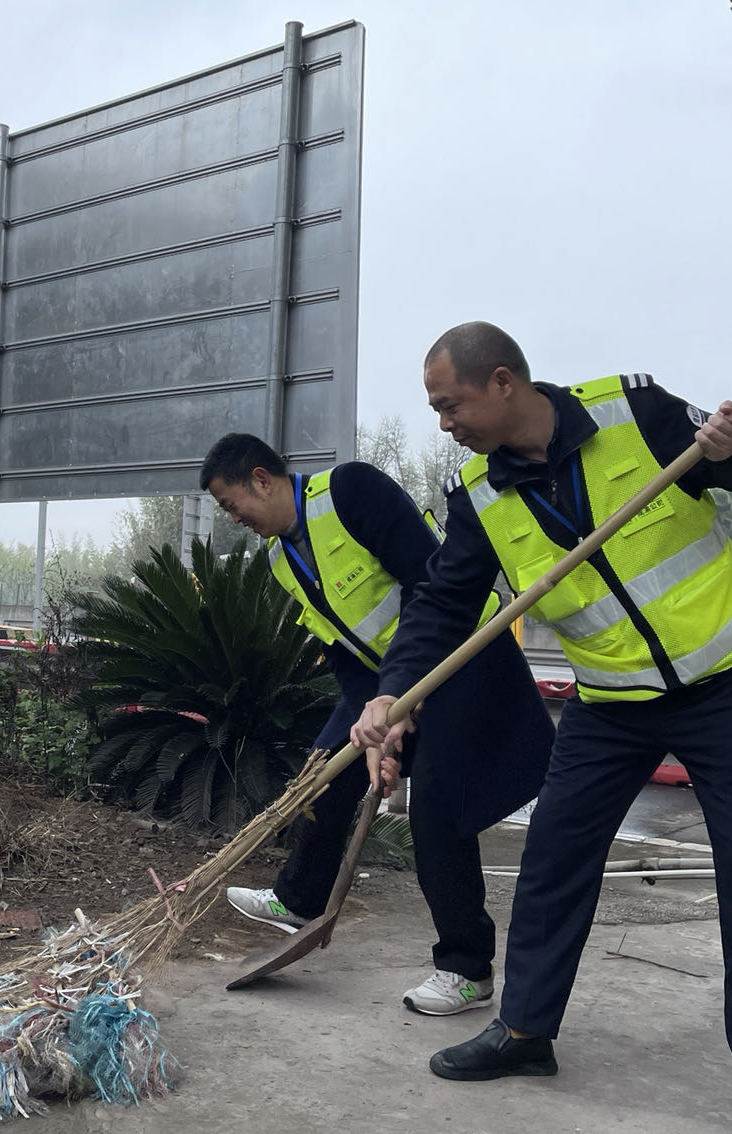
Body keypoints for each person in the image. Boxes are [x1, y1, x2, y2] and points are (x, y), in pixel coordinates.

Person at [354, 323, 732, 1134]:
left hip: (726, 681)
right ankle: (526, 1030)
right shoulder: (480, 495)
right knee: (556, 855)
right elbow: (440, 606)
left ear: (502, 382)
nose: (444, 422)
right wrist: (393, 695)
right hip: (610, 704)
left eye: (448, 404)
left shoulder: (633, 411)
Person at [201, 432, 554, 1015]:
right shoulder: (279, 559)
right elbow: (343, 652)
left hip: (465, 657)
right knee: (323, 768)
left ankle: (466, 969)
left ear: (261, 479)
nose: (233, 517)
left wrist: (400, 693)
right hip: (383, 685)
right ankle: (299, 898)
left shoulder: (350, 492)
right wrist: (378, 720)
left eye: (230, 502)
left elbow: (432, 586)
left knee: (438, 810)